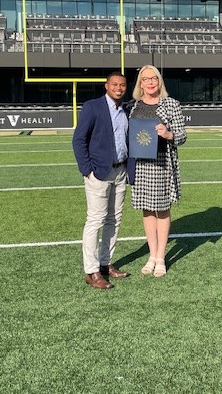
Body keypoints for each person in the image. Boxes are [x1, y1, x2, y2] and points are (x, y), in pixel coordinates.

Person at [72, 72, 130, 289]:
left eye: (122, 85)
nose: (119, 88)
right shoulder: (92, 106)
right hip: (99, 173)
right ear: (106, 86)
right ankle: (92, 270)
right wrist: (87, 170)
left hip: (120, 170)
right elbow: (79, 140)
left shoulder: (126, 110)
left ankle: (106, 263)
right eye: (114, 84)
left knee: (114, 219)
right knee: (95, 221)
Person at [128, 65, 187, 277]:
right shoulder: (133, 106)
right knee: (146, 209)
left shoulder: (171, 104)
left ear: (159, 81)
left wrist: (169, 134)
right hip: (141, 163)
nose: (151, 82)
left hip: (162, 163)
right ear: (140, 83)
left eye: (154, 78)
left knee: (162, 209)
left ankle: (161, 257)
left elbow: (182, 136)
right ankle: (152, 255)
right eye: (146, 79)